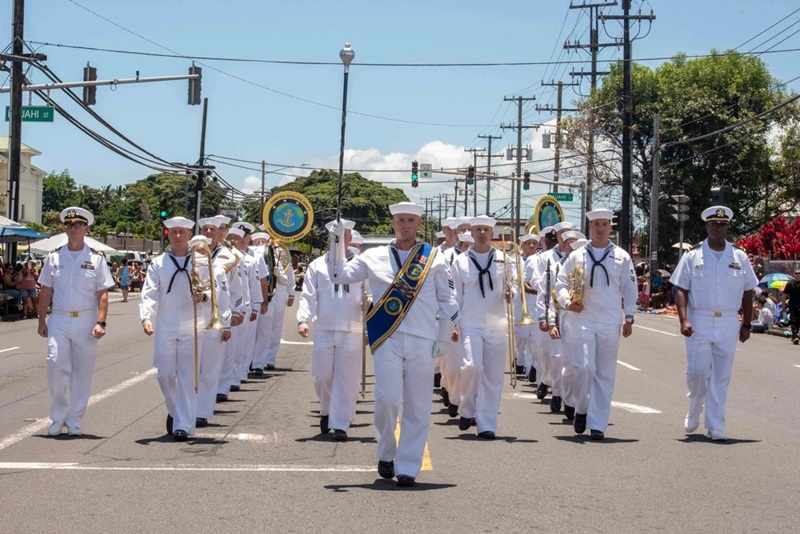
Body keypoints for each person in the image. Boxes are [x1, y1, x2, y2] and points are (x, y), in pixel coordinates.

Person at [328, 202, 458, 487]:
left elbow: (449, 301)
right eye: (400, 220)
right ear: (393, 224)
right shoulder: (373, 257)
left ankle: (408, 466)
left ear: (418, 224)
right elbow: (338, 276)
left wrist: (444, 337)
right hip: (387, 338)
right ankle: (386, 451)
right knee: (386, 399)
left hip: (424, 340)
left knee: (418, 404)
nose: (405, 225)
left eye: (410, 220)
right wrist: (335, 242)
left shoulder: (433, 258)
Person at [671, 206, 758, 441]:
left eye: (723, 225)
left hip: (728, 321)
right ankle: (694, 407)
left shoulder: (739, 257)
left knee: (721, 376)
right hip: (699, 319)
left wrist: (746, 324)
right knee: (697, 371)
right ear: (707, 227)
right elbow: (681, 289)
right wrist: (684, 319)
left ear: (727, 227)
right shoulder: (693, 256)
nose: (719, 229)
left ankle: (716, 426)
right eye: (715, 225)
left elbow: (749, 291)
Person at [554, 208, 638, 440]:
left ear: (611, 227)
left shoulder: (622, 256)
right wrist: (568, 302)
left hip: (610, 320)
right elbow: (560, 284)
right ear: (590, 228)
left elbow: (630, 288)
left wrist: (629, 317)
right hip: (583, 319)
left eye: (604, 224)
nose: (600, 229)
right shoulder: (576, 256)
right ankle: (581, 407)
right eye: (596, 225)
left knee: (604, 373)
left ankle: (598, 423)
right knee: (584, 367)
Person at [37, 207, 115, 436]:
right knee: (55, 365)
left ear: (86, 229)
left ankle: (75, 421)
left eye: (78, 225)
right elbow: (45, 291)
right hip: (60, 317)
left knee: (82, 372)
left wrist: (101, 322)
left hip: (86, 318)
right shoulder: (53, 257)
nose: (73, 229)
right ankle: (58, 416)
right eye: (69, 225)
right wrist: (41, 320)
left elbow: (102, 293)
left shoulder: (96, 259)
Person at [139, 216, 211, 441]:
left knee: (188, 377)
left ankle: (184, 426)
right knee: (165, 374)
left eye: (182, 232)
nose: (178, 236)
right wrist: (146, 318)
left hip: (193, 326)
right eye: (173, 232)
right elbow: (149, 292)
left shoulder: (201, 261)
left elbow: (214, 290)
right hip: (167, 325)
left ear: (190, 235)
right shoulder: (158, 263)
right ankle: (174, 411)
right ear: (167, 235)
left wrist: (204, 296)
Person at [297, 218, 368, 441]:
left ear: (349, 238)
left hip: (352, 329)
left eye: (344, 234)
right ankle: (327, 409)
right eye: (335, 235)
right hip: (325, 328)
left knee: (346, 379)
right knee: (322, 375)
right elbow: (308, 295)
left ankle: (340, 423)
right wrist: (302, 320)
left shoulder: (361, 264)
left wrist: (370, 306)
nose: (340, 239)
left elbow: (373, 292)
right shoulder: (317, 265)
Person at [451, 215, 514, 439]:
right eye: (478, 229)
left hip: (497, 324)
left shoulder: (504, 259)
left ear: (492, 233)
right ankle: (467, 408)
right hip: (471, 322)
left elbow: (512, 287)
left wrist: (510, 293)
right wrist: (454, 324)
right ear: (472, 232)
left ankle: (487, 423)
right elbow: (455, 296)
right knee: (472, 368)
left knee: (493, 375)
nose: (482, 233)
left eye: (486, 229)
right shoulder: (460, 261)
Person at [782, 268, 800, 344]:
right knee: (794, 321)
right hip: (793, 305)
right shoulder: (790, 283)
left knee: (799, 321)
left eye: (799, 273)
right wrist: (783, 305)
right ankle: (795, 336)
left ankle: (794, 336)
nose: (798, 275)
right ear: (794, 274)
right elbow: (784, 295)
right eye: (796, 273)